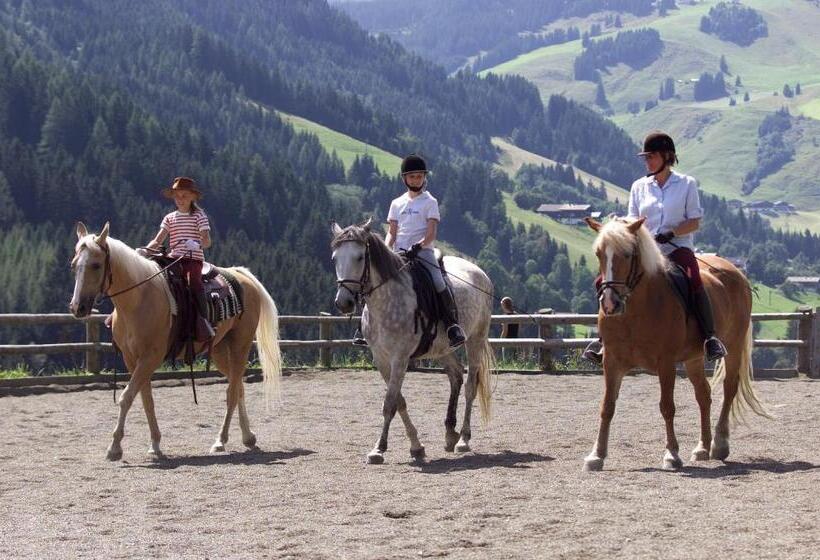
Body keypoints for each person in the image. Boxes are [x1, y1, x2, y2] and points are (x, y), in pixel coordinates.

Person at [583, 131, 727, 364]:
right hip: (645, 251)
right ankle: (604, 340)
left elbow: (695, 221)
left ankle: (710, 338)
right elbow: (631, 221)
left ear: (666, 156)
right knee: (603, 280)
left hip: (676, 247)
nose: (646, 161)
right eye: (645, 157)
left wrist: (671, 232)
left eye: (651, 156)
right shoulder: (639, 186)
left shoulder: (686, 184)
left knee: (693, 276)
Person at [385, 154, 466, 348]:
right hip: (399, 254)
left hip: (423, 252)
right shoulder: (396, 203)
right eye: (412, 177)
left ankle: (451, 325)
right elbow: (391, 232)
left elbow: (431, 234)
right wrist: (386, 248)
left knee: (438, 282)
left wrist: (418, 246)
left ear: (424, 178)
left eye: (419, 176)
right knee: (376, 280)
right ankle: (364, 327)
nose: (416, 180)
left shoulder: (430, 202)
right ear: (404, 178)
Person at [143, 176, 215, 342]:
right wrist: (145, 251)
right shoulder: (169, 218)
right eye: (177, 196)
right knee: (152, 279)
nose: (180, 199)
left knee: (194, 283)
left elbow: (207, 241)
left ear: (192, 197)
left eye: (184, 196)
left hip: (192, 259)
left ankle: (202, 321)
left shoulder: (199, 215)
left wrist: (196, 244)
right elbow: (158, 240)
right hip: (173, 258)